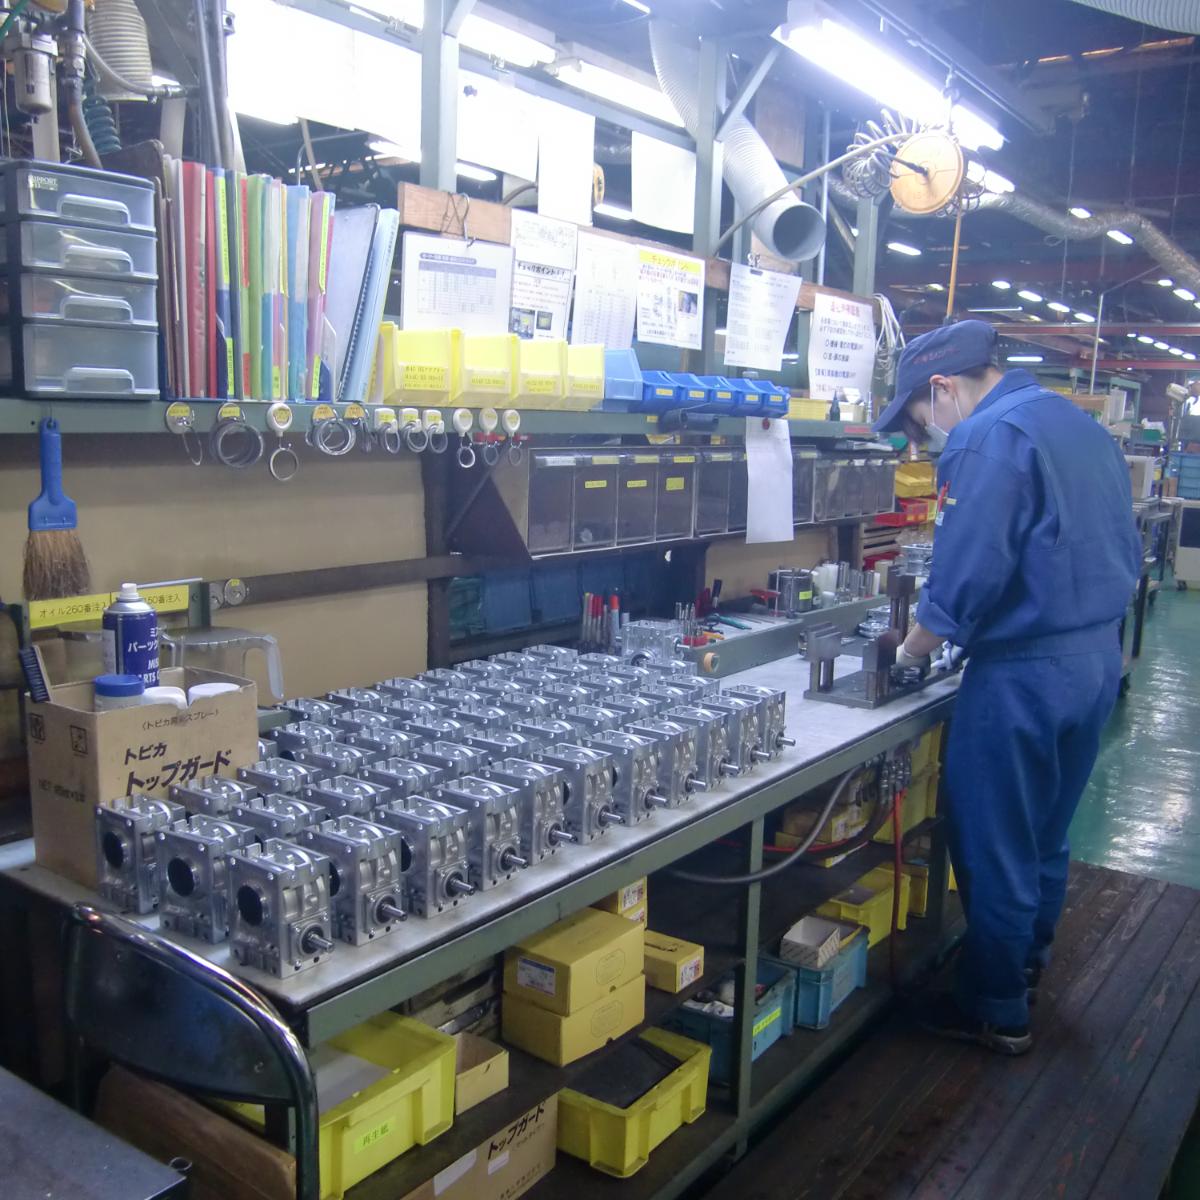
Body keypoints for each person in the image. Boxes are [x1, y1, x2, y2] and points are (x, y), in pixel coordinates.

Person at [874, 319, 1142, 1055]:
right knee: (1044, 834)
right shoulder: (1077, 424)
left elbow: (968, 572)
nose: (926, 438)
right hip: (1094, 657)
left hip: (1025, 675)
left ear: (942, 387)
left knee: (994, 840)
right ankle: (1024, 967)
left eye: (920, 420)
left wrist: (911, 651)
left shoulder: (986, 436)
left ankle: (994, 1008)